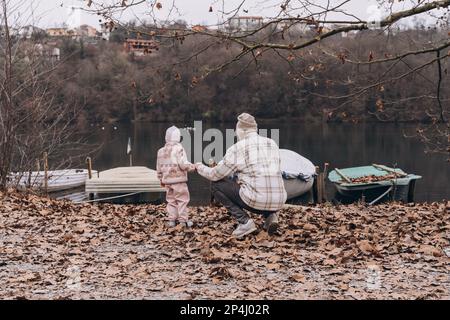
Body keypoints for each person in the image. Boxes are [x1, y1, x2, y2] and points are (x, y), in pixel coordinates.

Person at [195, 113, 287, 238]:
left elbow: (215, 175)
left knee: (216, 185)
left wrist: (199, 167)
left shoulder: (237, 148)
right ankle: (271, 216)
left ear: (241, 130)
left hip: (255, 201)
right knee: (264, 182)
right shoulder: (272, 143)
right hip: (279, 201)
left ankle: (244, 222)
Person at [157, 126, 196, 228]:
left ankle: (172, 220)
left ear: (166, 138)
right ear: (178, 137)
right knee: (182, 200)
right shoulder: (179, 149)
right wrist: (193, 167)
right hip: (179, 181)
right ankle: (183, 220)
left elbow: (159, 167)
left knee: (171, 200)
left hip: (167, 182)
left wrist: (160, 178)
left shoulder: (160, 151)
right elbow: (183, 164)